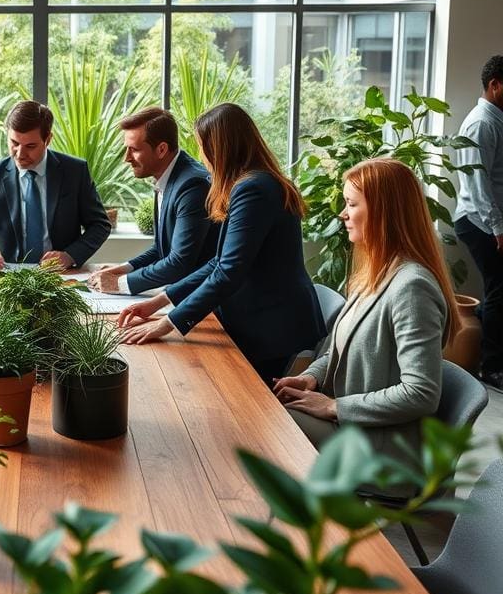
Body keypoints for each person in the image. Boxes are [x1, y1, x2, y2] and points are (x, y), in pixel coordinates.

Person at [117, 103, 325, 382]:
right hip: (265, 324)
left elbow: (228, 271)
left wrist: (169, 322)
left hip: (274, 333)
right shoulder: (252, 184)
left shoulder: (254, 190)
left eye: (202, 146)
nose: (200, 156)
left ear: (219, 148)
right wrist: (161, 301)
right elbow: (219, 261)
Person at [273, 157, 457, 461]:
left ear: (384, 212)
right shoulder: (376, 272)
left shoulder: (412, 287)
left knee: (270, 425)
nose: (344, 214)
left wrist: (334, 406)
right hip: (355, 429)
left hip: (380, 447)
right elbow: (342, 349)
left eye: (352, 204)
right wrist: (312, 378)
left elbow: (421, 393)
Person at [0, 100, 111, 270]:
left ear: (48, 139)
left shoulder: (75, 171)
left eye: (30, 146)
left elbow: (100, 225)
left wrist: (70, 255)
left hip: (61, 275)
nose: (20, 154)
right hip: (10, 274)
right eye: (14, 143)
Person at [88, 107, 216, 294]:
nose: (126, 158)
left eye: (134, 150)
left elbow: (179, 262)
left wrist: (119, 284)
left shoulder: (193, 185)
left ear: (162, 149)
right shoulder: (166, 176)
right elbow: (161, 249)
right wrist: (122, 269)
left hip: (205, 304)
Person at [453, 54, 503, 390]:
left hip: (490, 221)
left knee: (499, 291)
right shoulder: (482, 123)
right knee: (500, 290)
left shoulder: (496, 119)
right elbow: (476, 182)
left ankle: (488, 354)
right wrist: (498, 228)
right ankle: (491, 367)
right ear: (495, 84)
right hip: (479, 222)